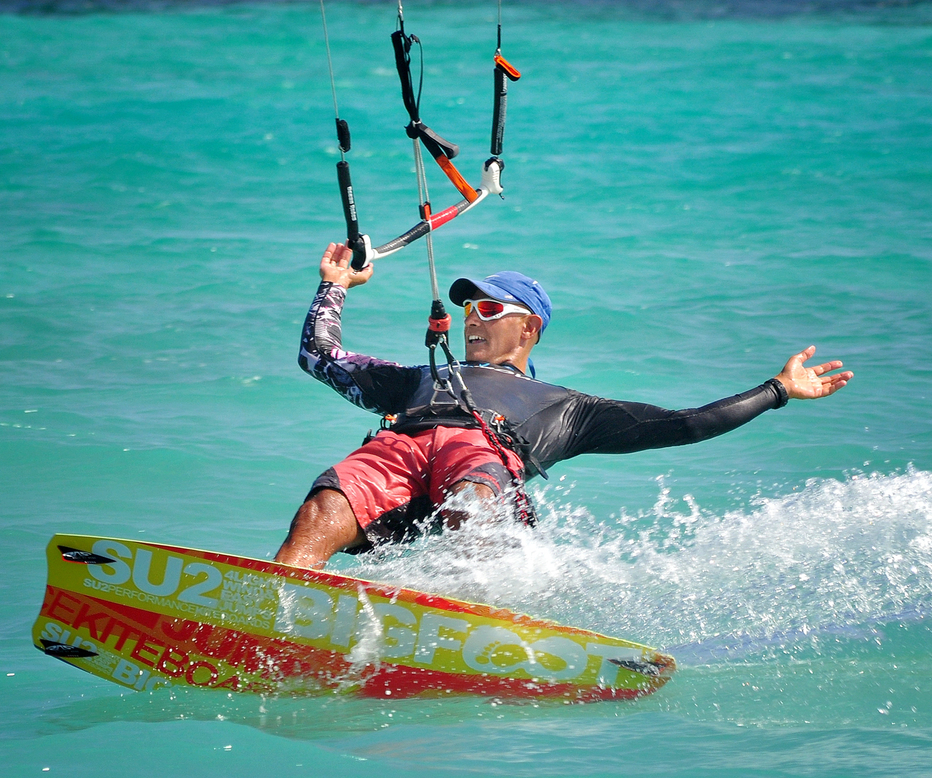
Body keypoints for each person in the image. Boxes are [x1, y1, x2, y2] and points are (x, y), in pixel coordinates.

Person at [275, 242, 853, 569]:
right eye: (470, 309)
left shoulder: (565, 408)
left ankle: (480, 625)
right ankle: (281, 612)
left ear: (529, 328)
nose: (474, 319)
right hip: (402, 445)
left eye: (490, 310)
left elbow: (686, 423)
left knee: (472, 503)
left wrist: (777, 391)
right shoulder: (420, 380)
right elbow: (319, 356)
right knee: (324, 505)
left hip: (480, 458)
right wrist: (336, 285)